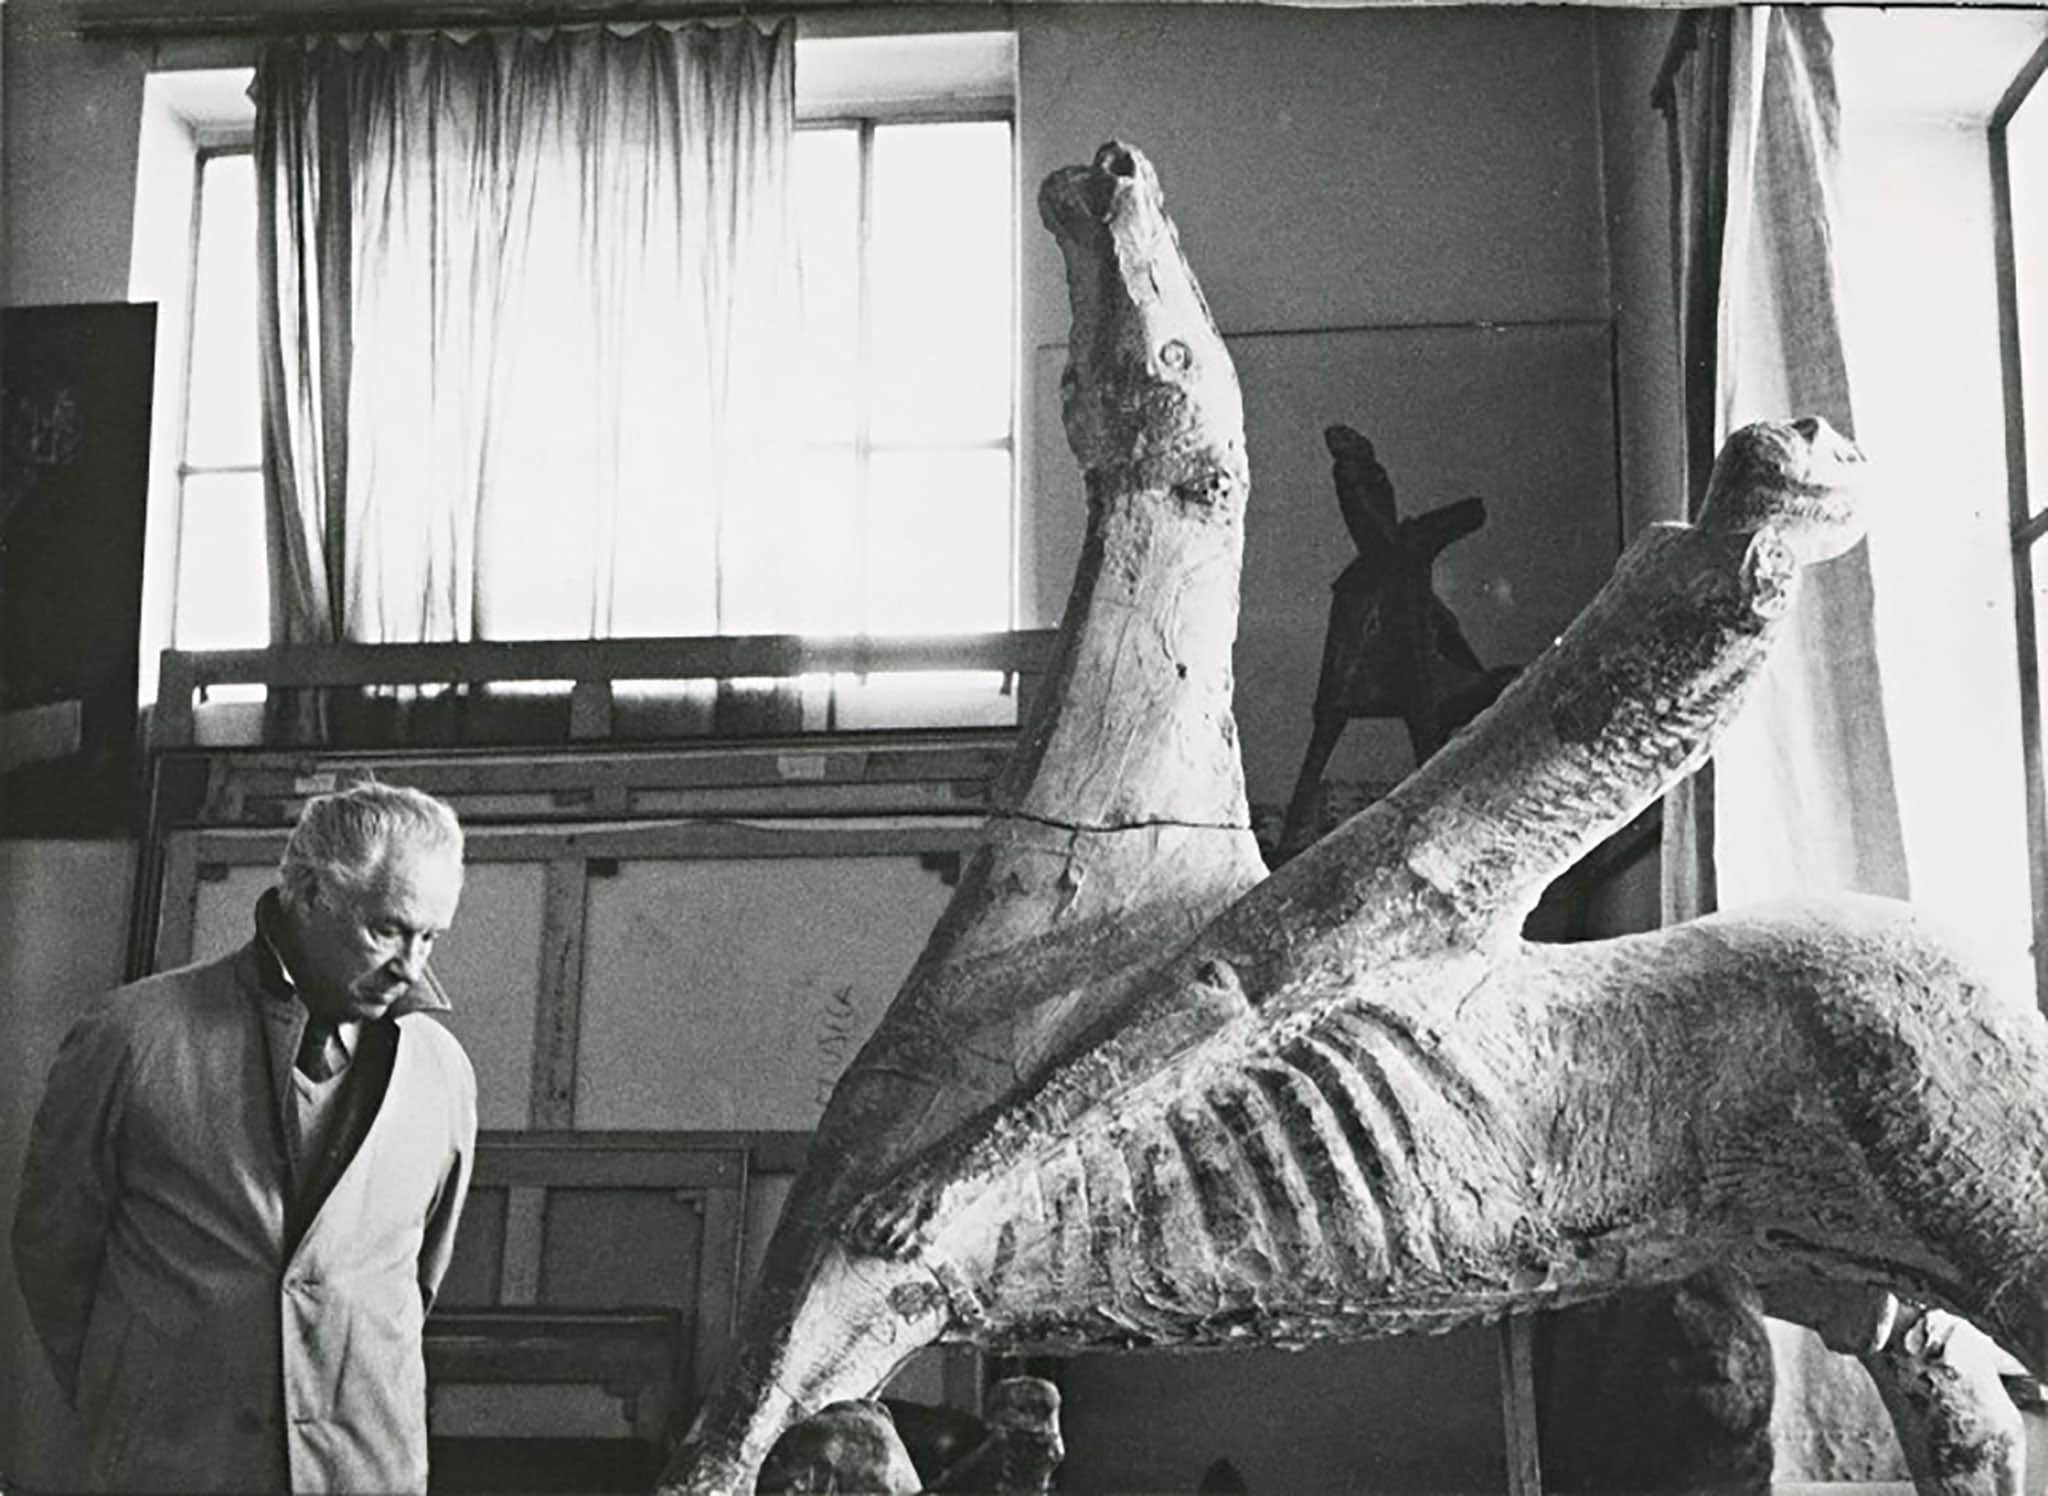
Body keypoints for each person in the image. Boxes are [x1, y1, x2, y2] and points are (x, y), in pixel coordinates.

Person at [13, 781, 479, 1495]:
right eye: (386, 929)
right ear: (311, 894)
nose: (411, 968)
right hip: (172, 1471)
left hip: (366, 1474)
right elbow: (54, 1253)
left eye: (430, 937)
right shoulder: (131, 1038)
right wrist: (140, 1407)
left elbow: (420, 1278)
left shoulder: (442, 1071)